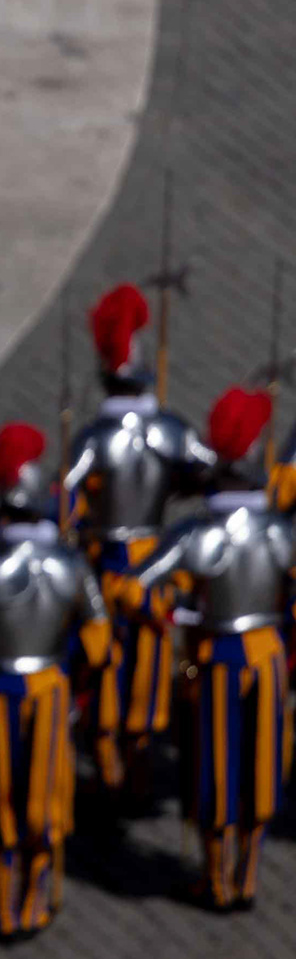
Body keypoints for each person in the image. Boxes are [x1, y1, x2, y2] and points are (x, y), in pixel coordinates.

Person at [0, 424, 111, 938]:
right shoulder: (71, 563)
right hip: (50, 689)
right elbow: (100, 635)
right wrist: (76, 674)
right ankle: (34, 902)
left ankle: (2, 906)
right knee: (46, 798)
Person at [123, 389, 292, 912]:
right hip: (267, 653)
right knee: (260, 763)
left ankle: (217, 878)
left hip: (217, 655)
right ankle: (246, 876)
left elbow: (135, 587)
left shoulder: (194, 533)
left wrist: (174, 613)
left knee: (219, 766)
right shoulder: (282, 532)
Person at [61, 285, 217, 814]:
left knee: (104, 668)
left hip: (106, 565)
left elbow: (66, 501)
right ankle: (137, 768)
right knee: (147, 669)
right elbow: (213, 471)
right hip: (153, 560)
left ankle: (109, 767)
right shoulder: (169, 429)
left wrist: (82, 525)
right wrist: (174, 485)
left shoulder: (90, 439)